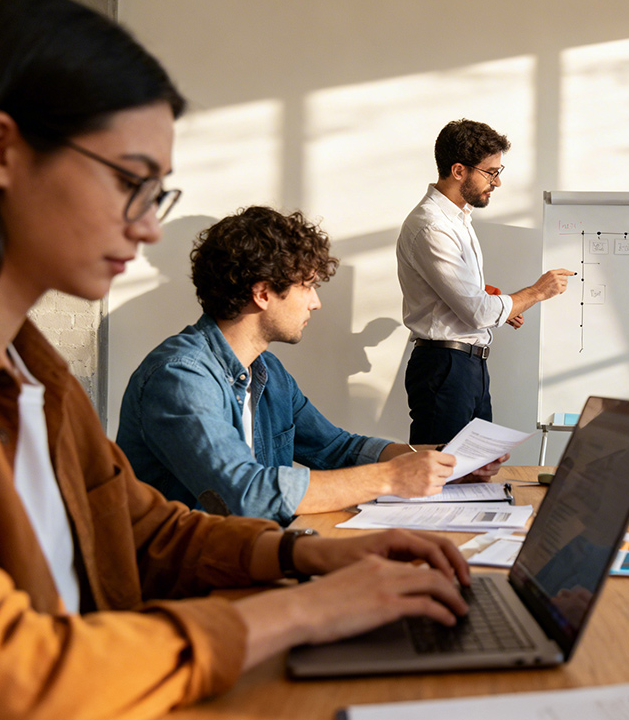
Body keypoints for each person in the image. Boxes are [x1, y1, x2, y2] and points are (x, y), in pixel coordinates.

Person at [0, 0, 470, 720]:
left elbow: (149, 531)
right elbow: (2, 685)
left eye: (157, 194)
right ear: (1, 151)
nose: (145, 228)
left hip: (110, 712)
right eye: (129, 182)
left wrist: (308, 559)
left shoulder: (36, 371)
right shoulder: (169, 374)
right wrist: (301, 611)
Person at [117, 206, 505, 525]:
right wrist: (390, 477)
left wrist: (443, 461)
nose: (315, 302)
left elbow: (338, 447)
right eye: (307, 286)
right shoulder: (180, 376)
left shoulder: (266, 371)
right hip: (189, 587)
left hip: (253, 557)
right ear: (263, 293)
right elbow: (245, 495)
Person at [397, 118, 575, 444]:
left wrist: (494, 297)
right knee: (443, 480)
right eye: (490, 172)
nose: (497, 182)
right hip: (446, 367)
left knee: (475, 472)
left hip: (467, 368)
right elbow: (478, 312)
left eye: (498, 171)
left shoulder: (458, 219)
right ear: (459, 170)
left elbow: (459, 293)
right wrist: (536, 292)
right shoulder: (432, 226)